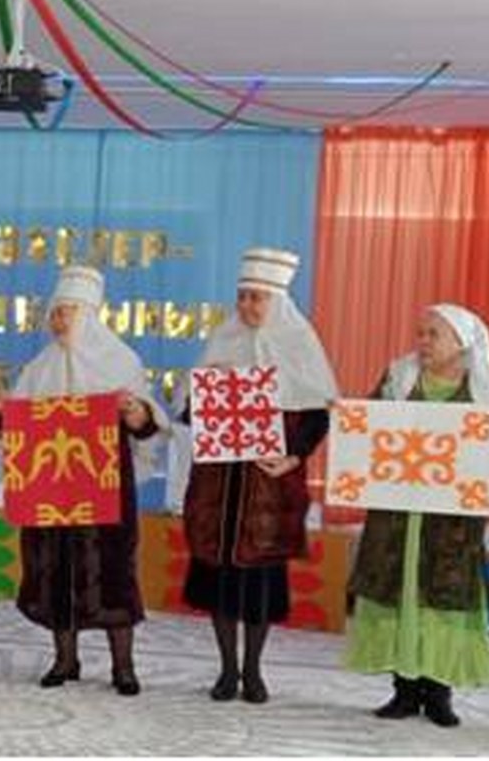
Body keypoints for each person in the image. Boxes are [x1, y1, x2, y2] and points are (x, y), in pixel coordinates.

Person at [343, 303, 489, 728]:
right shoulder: (398, 380)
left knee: (441, 600)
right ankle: (404, 690)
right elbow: (369, 426)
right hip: (398, 517)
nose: (422, 341)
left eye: (433, 334)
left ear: (461, 343)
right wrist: (348, 416)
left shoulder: (483, 395)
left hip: (451, 524)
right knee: (401, 592)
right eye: (420, 333)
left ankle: (439, 693)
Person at [177, 248, 337, 703]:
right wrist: (210, 390)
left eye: (257, 298)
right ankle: (228, 670)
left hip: (268, 487)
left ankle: (253, 670)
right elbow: (189, 412)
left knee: (261, 582)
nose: (247, 305)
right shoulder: (222, 342)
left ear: (277, 302)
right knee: (219, 580)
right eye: (242, 296)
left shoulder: (300, 345)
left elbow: (317, 416)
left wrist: (293, 457)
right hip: (219, 486)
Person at [4, 265, 166, 696]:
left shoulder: (121, 361)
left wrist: (135, 413)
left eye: (67, 312)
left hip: (106, 488)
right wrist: (3, 413)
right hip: (53, 488)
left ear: (89, 316)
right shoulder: (38, 369)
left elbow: (146, 424)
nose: (58, 321)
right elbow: (19, 429)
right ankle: (65, 659)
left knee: (112, 572)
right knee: (55, 570)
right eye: (55, 312)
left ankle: (123, 666)